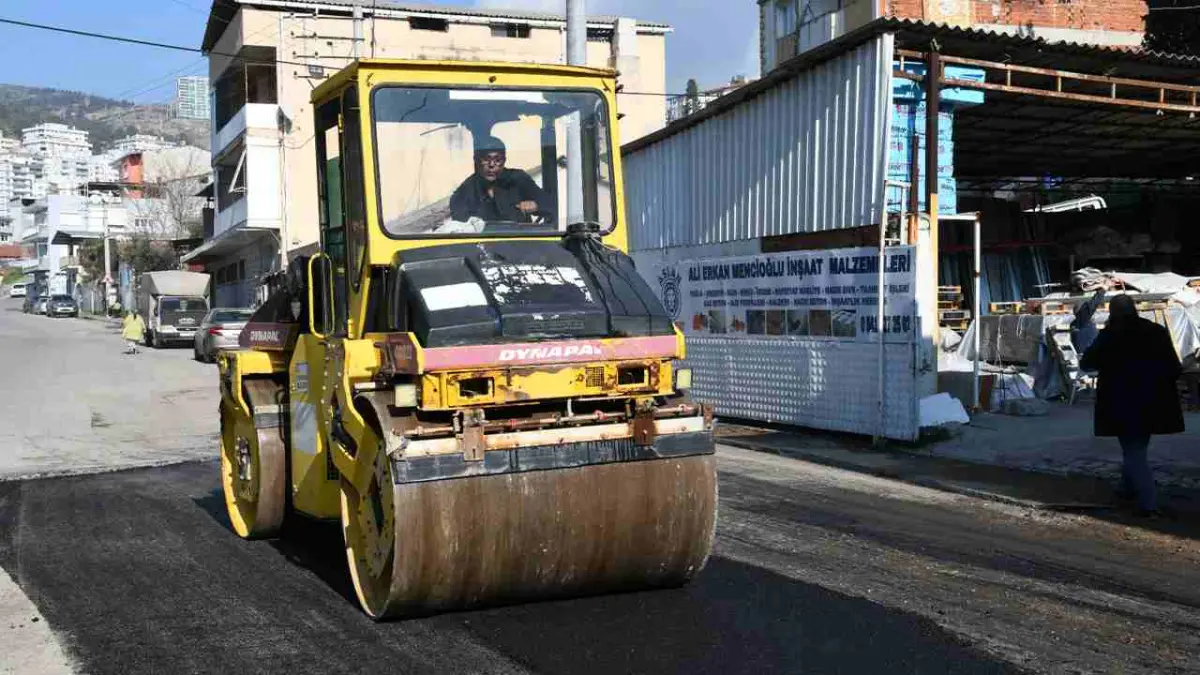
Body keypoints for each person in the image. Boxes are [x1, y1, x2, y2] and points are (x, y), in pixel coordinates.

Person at [1080, 294, 1184, 516]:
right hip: (1154, 402)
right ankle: (1127, 488)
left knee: (1133, 450)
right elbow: (1175, 368)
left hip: (1122, 403)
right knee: (1136, 448)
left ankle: (1148, 503)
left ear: (1113, 313)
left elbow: (1087, 363)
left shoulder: (1110, 335)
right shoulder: (1156, 331)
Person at [449, 136, 552, 225]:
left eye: (497, 160)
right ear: (476, 160)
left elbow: (550, 204)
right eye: (486, 159)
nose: (492, 165)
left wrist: (536, 205)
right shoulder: (466, 190)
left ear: (504, 160)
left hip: (520, 244)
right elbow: (460, 226)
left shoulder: (518, 179)